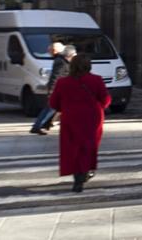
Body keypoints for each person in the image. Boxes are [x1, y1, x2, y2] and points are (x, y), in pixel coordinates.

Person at [48, 53, 110, 192]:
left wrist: (65, 108)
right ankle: (86, 171)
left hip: (71, 118)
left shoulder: (63, 82)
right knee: (88, 147)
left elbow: (53, 103)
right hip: (92, 118)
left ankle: (78, 178)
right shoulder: (96, 80)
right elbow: (105, 100)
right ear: (89, 66)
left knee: (73, 147)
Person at [31, 43, 74, 134]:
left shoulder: (61, 60)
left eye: (51, 50)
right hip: (59, 90)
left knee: (57, 109)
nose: (50, 52)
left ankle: (44, 125)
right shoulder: (61, 61)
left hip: (62, 89)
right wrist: (51, 91)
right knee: (51, 108)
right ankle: (38, 126)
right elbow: (56, 77)